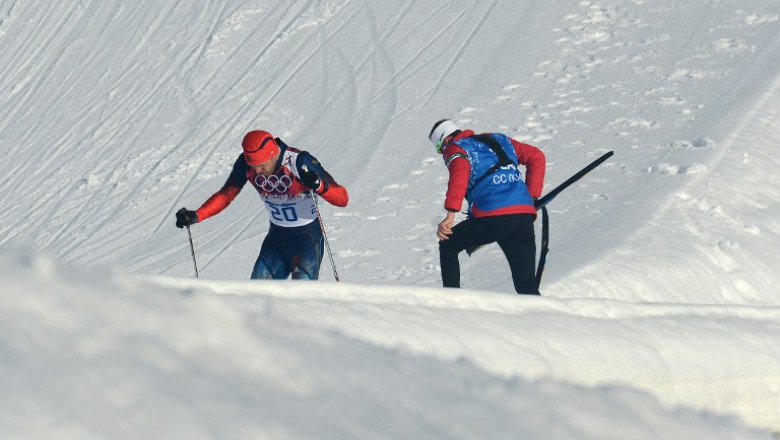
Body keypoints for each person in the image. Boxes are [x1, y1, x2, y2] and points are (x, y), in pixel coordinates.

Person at [175, 130, 348, 280]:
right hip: (277, 237)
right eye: (253, 166)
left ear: (273, 154)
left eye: (261, 166)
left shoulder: (300, 162)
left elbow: (342, 199)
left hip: (307, 236)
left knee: (301, 294)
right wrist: (197, 215)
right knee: (257, 293)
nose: (257, 171)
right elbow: (226, 195)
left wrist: (320, 186)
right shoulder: (245, 163)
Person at [429, 119, 546, 295]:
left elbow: (460, 173)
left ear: (445, 140)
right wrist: (531, 197)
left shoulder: (456, 148)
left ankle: (451, 302)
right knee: (527, 287)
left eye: (439, 149)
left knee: (448, 244)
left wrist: (451, 213)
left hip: (493, 216)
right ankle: (547, 321)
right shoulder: (500, 139)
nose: (442, 153)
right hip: (523, 217)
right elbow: (536, 156)